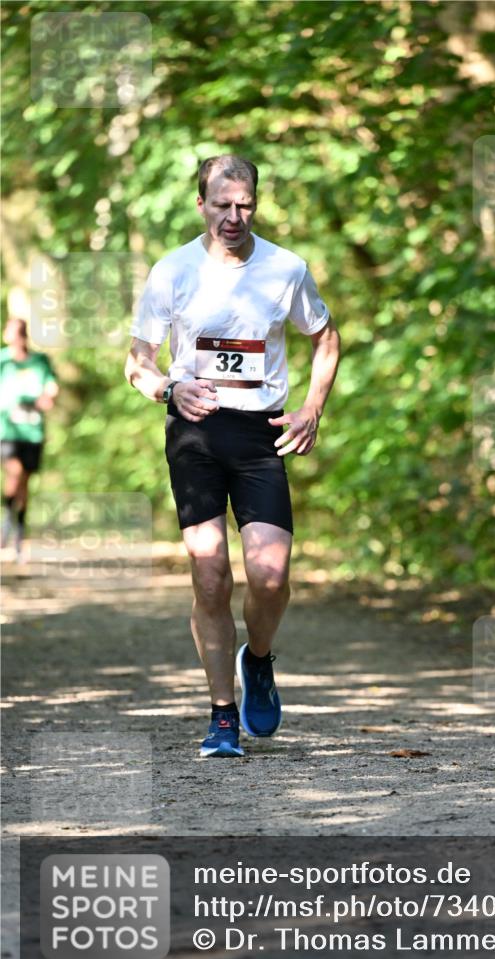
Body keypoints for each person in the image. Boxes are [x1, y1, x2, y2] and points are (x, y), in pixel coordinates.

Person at [125, 154, 341, 758]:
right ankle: (223, 715)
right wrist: (170, 387)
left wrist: (312, 407)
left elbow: (325, 337)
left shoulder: (286, 269)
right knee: (211, 574)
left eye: (243, 205)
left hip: (259, 434)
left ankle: (261, 660)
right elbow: (136, 359)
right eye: (221, 205)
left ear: (256, 203)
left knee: (270, 577)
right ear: (201, 204)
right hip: (194, 434)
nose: (233, 216)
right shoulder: (172, 271)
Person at [0, 317, 59, 560]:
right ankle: (6, 519)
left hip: (32, 432)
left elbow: (51, 388)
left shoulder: (40, 361)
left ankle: (18, 535)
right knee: (14, 472)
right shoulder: (2, 360)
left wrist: (47, 398)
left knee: (24, 481)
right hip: (7, 431)